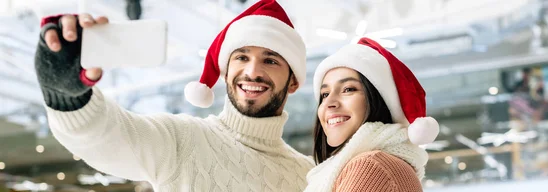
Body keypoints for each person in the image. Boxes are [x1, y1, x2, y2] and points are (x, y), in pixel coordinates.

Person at [34, 0, 314, 191]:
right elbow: (106, 137)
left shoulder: (308, 176)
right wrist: (65, 96)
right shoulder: (183, 139)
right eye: (241, 57)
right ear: (226, 72)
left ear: (293, 83)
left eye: (271, 60)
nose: (252, 72)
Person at [304, 37, 439, 192]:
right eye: (325, 94)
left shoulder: (371, 167)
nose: (328, 103)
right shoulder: (379, 163)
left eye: (348, 89)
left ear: (378, 99)